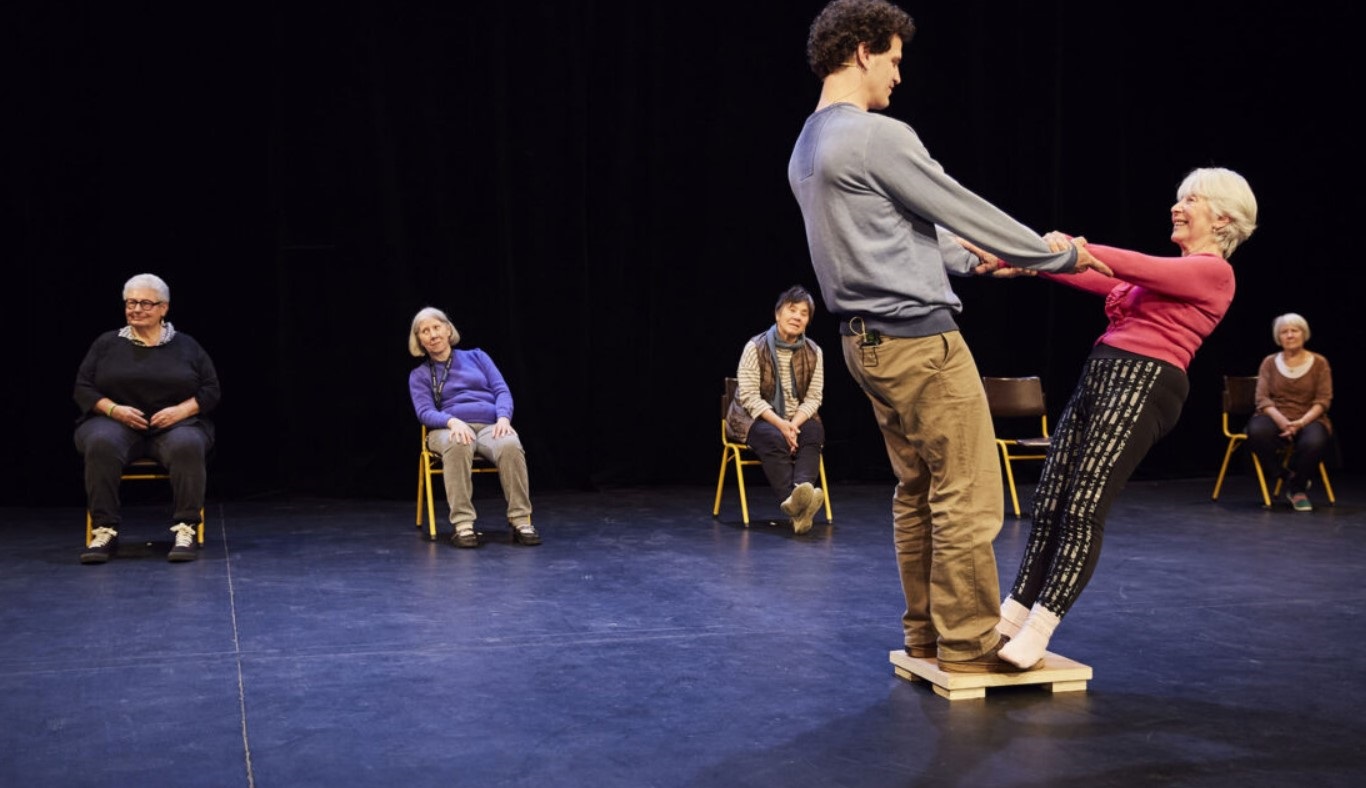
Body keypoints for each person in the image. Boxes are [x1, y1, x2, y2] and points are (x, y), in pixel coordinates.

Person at [788, 0, 1105, 674]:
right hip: (919, 343)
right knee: (967, 491)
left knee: (918, 491)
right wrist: (1056, 255)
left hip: (866, 344)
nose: (899, 76)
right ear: (864, 50)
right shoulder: (876, 135)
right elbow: (957, 205)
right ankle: (968, 642)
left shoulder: (808, 144)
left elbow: (897, 231)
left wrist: (978, 259)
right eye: (895, 60)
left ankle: (928, 634)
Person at [992, 167, 1259, 669]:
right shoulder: (1167, 273)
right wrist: (1023, 260)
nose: (1177, 207)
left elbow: (1131, 265)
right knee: (1050, 497)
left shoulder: (1214, 271)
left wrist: (1076, 245)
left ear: (1222, 217)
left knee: (1082, 506)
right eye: (1179, 198)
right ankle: (1012, 613)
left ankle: (1041, 627)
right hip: (1103, 373)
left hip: (1146, 382)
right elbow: (1092, 275)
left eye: (1192, 200)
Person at [74, 274, 220, 564]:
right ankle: (105, 530)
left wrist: (180, 411)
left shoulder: (187, 346)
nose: (136, 309)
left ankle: (186, 527)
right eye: (131, 303)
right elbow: (83, 387)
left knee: (187, 444)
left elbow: (211, 390)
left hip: (176, 425)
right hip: (115, 423)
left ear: (163, 308)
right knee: (101, 442)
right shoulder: (106, 344)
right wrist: (115, 410)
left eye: (145, 303)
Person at [408, 307, 540, 548]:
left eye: (436, 327)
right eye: (424, 331)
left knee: (510, 443)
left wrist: (503, 418)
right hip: (447, 429)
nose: (432, 334)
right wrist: (451, 421)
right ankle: (463, 525)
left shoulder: (478, 357)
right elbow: (424, 412)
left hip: (490, 425)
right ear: (419, 340)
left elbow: (501, 391)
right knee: (459, 443)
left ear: (448, 330)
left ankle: (521, 520)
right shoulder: (420, 375)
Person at [726, 285, 827, 533]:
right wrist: (782, 425)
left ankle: (799, 502)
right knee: (773, 437)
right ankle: (798, 504)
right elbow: (749, 398)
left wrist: (794, 423)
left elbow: (814, 397)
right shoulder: (755, 346)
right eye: (792, 310)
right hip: (752, 418)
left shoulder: (814, 352)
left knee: (814, 433)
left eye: (804, 313)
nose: (797, 317)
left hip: (796, 419)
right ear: (777, 314)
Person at [1245, 313, 1333, 512]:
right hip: (1274, 415)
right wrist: (1283, 421)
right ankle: (1285, 475)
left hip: (1309, 416)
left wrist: (1300, 423)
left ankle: (1297, 488)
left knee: (1315, 440)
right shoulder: (1269, 362)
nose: (1290, 335)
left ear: (1304, 334)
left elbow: (1323, 400)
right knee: (1257, 432)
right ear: (1278, 337)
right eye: (1284, 332)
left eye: (1295, 330)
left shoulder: (1320, 363)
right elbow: (1262, 399)